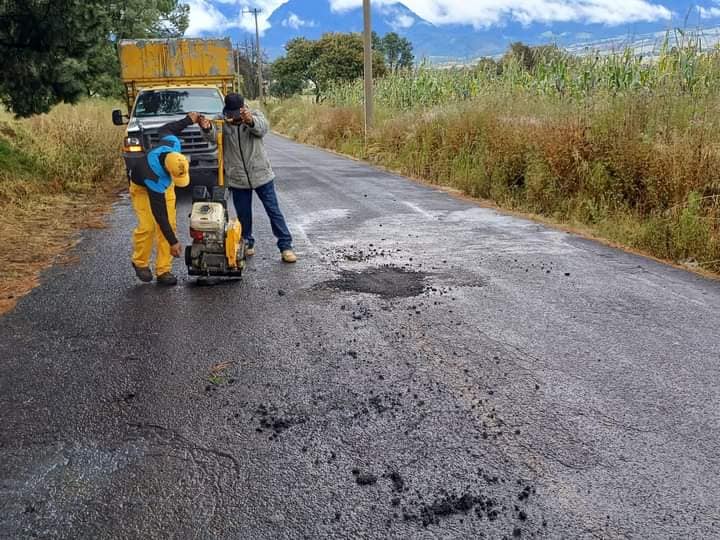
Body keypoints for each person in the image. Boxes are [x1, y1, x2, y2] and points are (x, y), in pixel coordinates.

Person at [200, 93, 297, 263]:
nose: (233, 117)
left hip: (261, 174)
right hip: (237, 177)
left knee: (273, 211)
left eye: (236, 113)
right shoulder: (221, 120)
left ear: (243, 109)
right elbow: (213, 138)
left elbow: (262, 129)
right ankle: (247, 242)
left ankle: (286, 246)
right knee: (243, 214)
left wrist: (249, 120)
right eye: (230, 113)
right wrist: (206, 127)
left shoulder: (255, 115)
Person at [127, 111, 203, 286]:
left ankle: (163, 270)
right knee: (149, 226)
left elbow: (166, 128)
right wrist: (174, 242)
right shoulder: (152, 176)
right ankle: (140, 263)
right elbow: (159, 214)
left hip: (163, 183)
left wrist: (187, 120)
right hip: (142, 187)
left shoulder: (172, 144)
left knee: (170, 224)